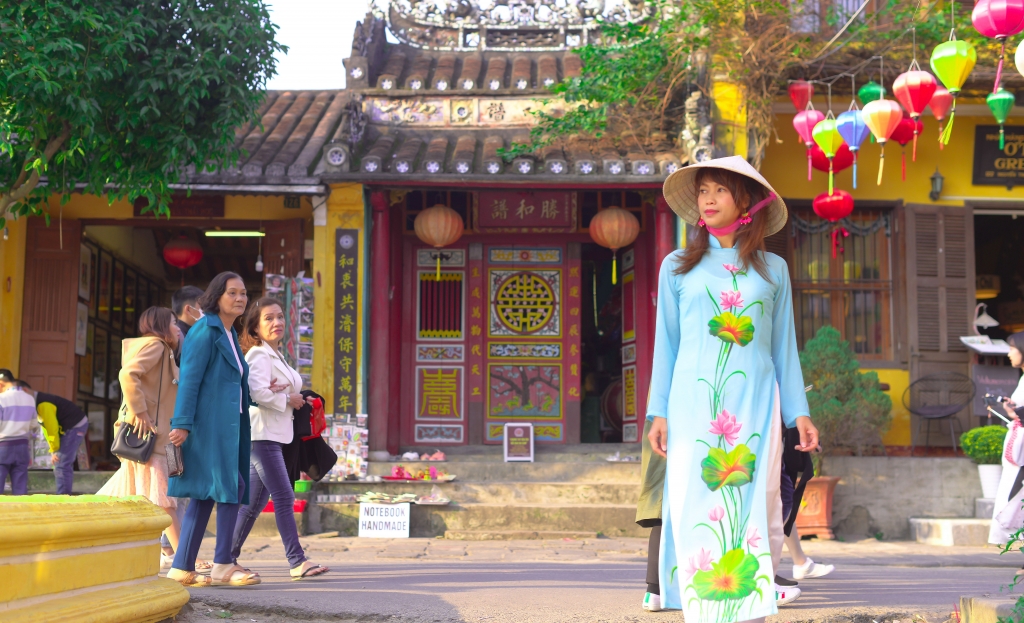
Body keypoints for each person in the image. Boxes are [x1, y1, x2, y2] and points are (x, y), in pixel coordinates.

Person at [647, 156, 819, 622]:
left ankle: (748, 601)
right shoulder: (677, 267)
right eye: (702, 190)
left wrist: (797, 414)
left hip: (757, 404)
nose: (707, 199)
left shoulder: (773, 270)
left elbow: (785, 348)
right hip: (690, 406)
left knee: (752, 499)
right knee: (693, 497)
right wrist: (657, 411)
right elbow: (666, 343)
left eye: (719, 190)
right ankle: (705, 602)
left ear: (746, 204)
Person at [167, 272, 259, 588]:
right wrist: (182, 423)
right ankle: (222, 564)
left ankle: (181, 568)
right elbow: (190, 379)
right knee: (231, 484)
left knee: (208, 492)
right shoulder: (205, 330)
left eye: (244, 293)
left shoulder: (231, 333)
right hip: (209, 426)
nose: (240, 298)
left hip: (230, 425)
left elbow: (231, 380)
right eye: (232, 292)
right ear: (216, 296)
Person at [230, 297, 329, 580]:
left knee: (252, 505)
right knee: (284, 495)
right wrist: (288, 398)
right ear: (256, 328)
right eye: (269, 319)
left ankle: (225, 558)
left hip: (273, 435)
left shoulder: (276, 354)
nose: (277, 323)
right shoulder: (259, 355)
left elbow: (273, 392)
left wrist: (298, 398)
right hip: (262, 436)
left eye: (280, 317)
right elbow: (257, 394)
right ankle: (297, 561)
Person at [97, 307, 184, 553]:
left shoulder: (159, 349)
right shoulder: (157, 345)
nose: (178, 328)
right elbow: (128, 374)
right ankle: (183, 558)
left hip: (154, 437)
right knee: (164, 500)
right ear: (161, 326)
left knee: (146, 496)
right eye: (174, 323)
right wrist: (141, 411)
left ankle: (163, 552)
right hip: (152, 437)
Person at [163, 285, 207, 567]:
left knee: (179, 486)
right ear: (190, 308)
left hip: (179, 422)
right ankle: (177, 553)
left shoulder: (187, 335)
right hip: (177, 424)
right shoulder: (183, 337)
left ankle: (171, 549)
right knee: (177, 486)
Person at [988, 331, 1024, 564]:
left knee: (1017, 500)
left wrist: (1016, 413)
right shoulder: (1022, 379)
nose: (1009, 353)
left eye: (1012, 348)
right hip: (1017, 447)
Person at [17, 381, 89, 495]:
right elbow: (46, 427)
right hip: (66, 427)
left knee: (61, 463)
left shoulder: (43, 403)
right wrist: (53, 450)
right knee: (60, 461)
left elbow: (51, 428)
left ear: (25, 391)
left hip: (75, 425)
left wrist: (55, 449)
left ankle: (63, 498)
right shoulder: (36, 403)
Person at [0, 369, 38, 495]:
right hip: (22, 446)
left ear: (1, 383)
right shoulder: (29, 399)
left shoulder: (1, 399)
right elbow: (34, 424)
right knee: (20, 487)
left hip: (3, 447)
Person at [172, 285, 205, 365]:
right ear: (188, 309)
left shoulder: (192, 333)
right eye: (202, 307)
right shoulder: (175, 336)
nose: (205, 311)